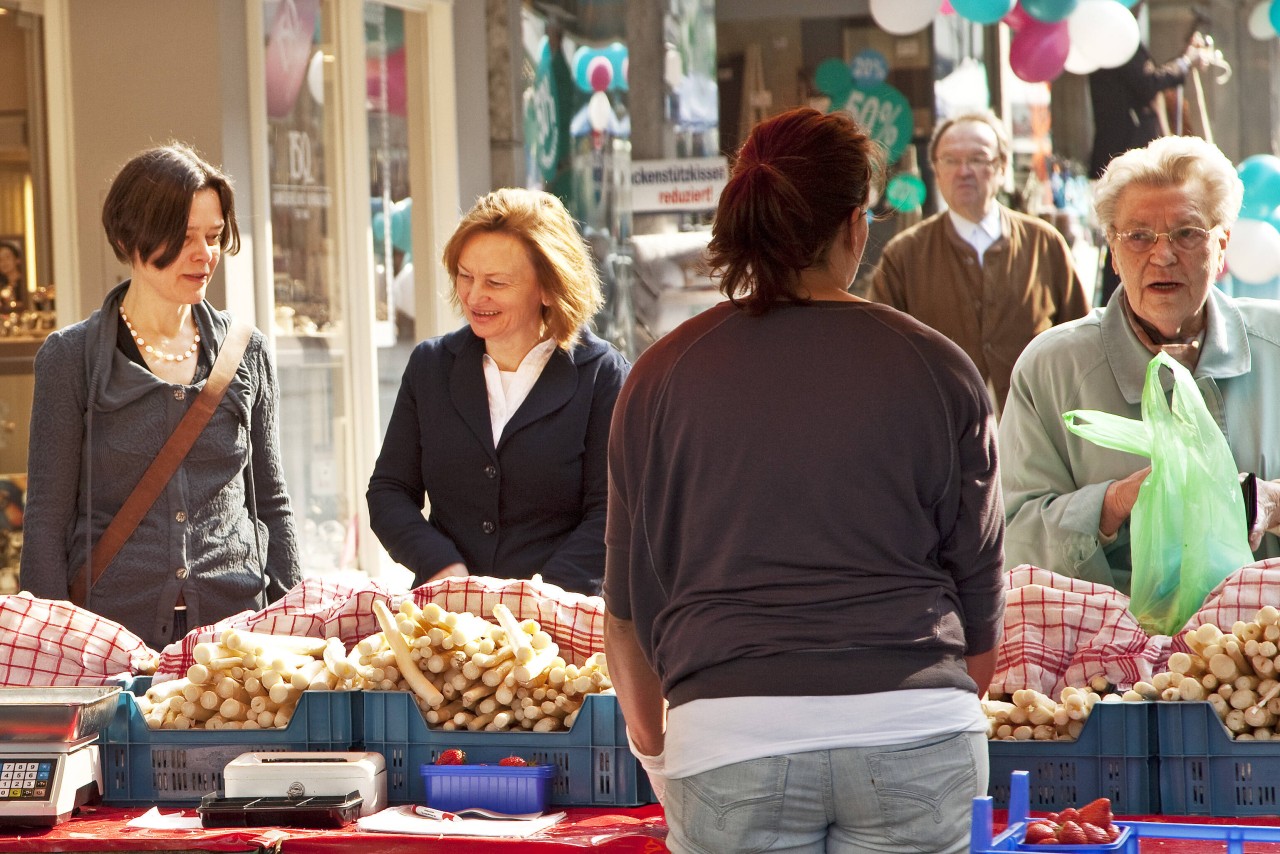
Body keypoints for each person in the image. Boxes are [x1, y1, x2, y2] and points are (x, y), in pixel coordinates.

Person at [604, 107, 1006, 854]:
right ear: (856, 226)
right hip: (916, 727)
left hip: (725, 735)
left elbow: (626, 612)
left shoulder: (660, 375)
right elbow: (981, 597)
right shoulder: (938, 367)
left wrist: (660, 748)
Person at [20, 143, 301, 649]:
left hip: (235, 635)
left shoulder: (246, 351)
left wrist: (294, 621)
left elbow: (272, 503)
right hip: (109, 640)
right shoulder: (71, 358)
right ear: (131, 236)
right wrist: (51, 646)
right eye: (184, 237)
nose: (204, 254)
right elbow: (45, 518)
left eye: (213, 237)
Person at [1001, 134, 1280, 593]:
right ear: (1113, 250)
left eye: (1188, 233)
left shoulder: (1271, 347)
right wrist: (1113, 503)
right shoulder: (1051, 368)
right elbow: (1017, 536)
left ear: (1222, 244)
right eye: (1139, 236)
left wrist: (1269, 502)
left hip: (1262, 645)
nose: (1163, 254)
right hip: (1110, 652)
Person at [366, 188, 629, 596]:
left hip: (558, 625)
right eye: (465, 276)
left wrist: (538, 598)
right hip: (448, 621)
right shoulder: (431, 366)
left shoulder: (602, 375)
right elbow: (389, 492)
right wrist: (441, 564)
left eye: (496, 282)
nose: (473, 296)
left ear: (549, 288)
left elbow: (611, 513)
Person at [869, 111, 1089, 415]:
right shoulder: (904, 255)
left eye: (977, 159)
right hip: (945, 429)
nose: (964, 171)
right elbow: (882, 358)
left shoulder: (1044, 244)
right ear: (936, 169)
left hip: (1038, 426)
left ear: (1001, 167)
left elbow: (1080, 340)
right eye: (950, 160)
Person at [1088, 12, 1214, 304]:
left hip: (1125, 150)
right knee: (1130, 233)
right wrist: (1186, 62)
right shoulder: (1115, 36)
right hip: (1128, 153)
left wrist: (1185, 59)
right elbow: (1149, 81)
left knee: (1138, 234)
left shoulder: (1113, 36)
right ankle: (1119, 302)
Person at [0, 241, 23, 310]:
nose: (4, 262)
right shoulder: (2, 285)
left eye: (7, 257)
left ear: (17, 260)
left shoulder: (24, 283)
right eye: (0, 259)